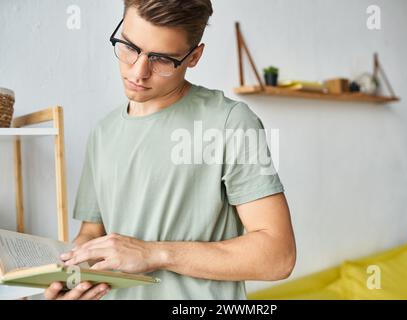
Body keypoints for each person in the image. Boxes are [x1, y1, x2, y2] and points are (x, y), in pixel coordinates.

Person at [45, 0, 296, 300]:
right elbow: (91, 233)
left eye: (162, 59)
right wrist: (75, 275)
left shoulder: (231, 122)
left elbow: (278, 256)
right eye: (129, 46)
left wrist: (155, 254)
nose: (138, 72)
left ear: (194, 57)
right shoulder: (103, 132)